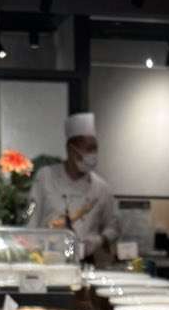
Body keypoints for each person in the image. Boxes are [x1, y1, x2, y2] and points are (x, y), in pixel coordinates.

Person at [29, 111, 119, 263]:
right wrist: (31, 252)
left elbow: (114, 227)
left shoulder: (101, 188)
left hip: (84, 261)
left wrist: (100, 240)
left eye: (95, 149)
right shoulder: (45, 177)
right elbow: (31, 216)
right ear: (71, 150)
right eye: (88, 149)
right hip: (46, 259)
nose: (93, 154)